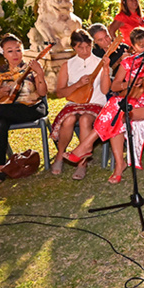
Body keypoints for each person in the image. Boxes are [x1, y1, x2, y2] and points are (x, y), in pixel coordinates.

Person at [65, 27, 144, 184]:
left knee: (116, 111)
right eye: (140, 45)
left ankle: (86, 146)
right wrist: (128, 84)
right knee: (116, 111)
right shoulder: (127, 62)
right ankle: (119, 164)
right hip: (131, 101)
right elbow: (115, 87)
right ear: (132, 47)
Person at [0, 34, 48, 184]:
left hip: (33, 108)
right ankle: (2, 168)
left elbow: (42, 93)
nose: (15, 54)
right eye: (10, 51)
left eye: (18, 50)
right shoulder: (0, 72)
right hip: (11, 110)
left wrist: (40, 73)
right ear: (3, 53)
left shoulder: (31, 67)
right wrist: (0, 93)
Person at [51, 29, 107, 180]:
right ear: (74, 48)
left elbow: (105, 90)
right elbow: (60, 93)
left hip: (96, 103)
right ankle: (60, 156)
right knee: (69, 120)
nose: (85, 51)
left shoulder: (99, 63)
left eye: (88, 46)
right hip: (74, 104)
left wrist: (106, 70)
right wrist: (77, 84)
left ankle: (82, 163)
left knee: (85, 119)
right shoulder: (67, 65)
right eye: (80, 47)